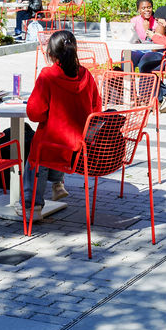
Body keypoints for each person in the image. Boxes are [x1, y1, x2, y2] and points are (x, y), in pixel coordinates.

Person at [24, 30, 102, 219]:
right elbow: (96, 107)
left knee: (37, 150)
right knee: (56, 138)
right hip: (80, 142)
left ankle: (32, 206)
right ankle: (57, 184)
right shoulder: (85, 74)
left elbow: (34, 113)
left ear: (50, 53)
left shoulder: (47, 75)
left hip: (53, 143)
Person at [122, 0, 161, 71]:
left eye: (149, 7)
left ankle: (144, 82)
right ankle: (128, 81)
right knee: (127, 59)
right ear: (139, 10)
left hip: (153, 51)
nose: (147, 10)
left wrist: (147, 29)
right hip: (139, 49)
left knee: (145, 62)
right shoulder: (134, 21)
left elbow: (155, 44)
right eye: (143, 8)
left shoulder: (157, 21)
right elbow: (130, 38)